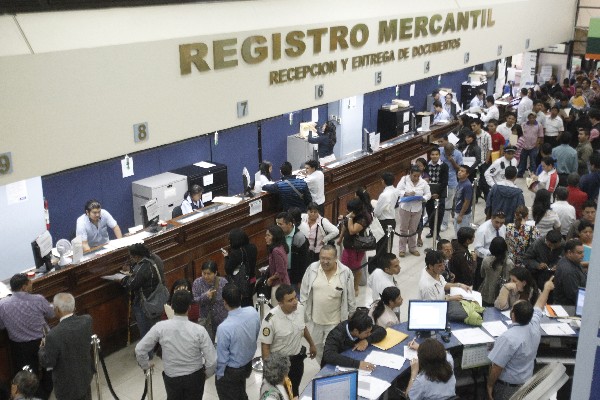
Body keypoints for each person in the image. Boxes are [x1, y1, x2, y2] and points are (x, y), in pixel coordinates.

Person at [135, 290, 216, 400]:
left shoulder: (160, 327)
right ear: (189, 308)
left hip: (172, 377)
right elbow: (212, 361)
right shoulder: (199, 330)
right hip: (194, 377)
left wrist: (145, 365)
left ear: (172, 306)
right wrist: (206, 375)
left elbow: (139, 349)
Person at [487, 277, 554, 399]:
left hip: (507, 389)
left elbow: (497, 367)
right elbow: (539, 305)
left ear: (512, 315)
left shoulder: (508, 338)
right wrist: (546, 289)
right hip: (526, 384)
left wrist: (490, 385)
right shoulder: (534, 325)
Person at [0, 274, 54, 400]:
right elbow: (51, 314)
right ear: (24, 287)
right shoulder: (38, 299)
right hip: (42, 342)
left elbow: (1, 325)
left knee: (28, 374)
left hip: (20, 347)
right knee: (48, 368)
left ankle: (36, 396)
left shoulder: (3, 304)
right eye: (29, 282)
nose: (32, 283)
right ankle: (46, 392)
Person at [300, 245, 356, 364]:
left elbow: (351, 297)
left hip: (335, 323)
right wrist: (303, 313)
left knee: (330, 350)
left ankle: (328, 370)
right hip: (315, 321)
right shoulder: (312, 269)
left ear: (336, 258)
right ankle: (323, 367)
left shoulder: (345, 272)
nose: (325, 261)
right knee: (317, 348)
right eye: (322, 258)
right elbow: (304, 292)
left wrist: (351, 314)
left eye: (328, 259)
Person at [260, 285, 317, 398]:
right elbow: (265, 347)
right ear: (280, 303)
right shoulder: (270, 320)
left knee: (294, 391)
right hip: (278, 365)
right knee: (276, 394)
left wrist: (312, 344)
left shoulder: (300, 308)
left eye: (295, 297)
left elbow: (303, 327)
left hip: (296, 361)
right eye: (290, 300)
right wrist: (270, 370)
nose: (295, 302)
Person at [38, 293, 93, 400]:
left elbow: (48, 362)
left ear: (57, 310)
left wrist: (42, 349)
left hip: (66, 385)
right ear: (74, 307)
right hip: (85, 376)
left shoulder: (54, 335)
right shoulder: (87, 320)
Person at [215, 284, 260, 400]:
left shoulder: (224, 328)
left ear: (224, 302)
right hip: (247, 364)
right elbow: (256, 334)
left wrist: (219, 375)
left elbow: (222, 358)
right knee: (240, 390)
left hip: (231, 371)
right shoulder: (252, 312)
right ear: (240, 297)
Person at [121, 243, 166, 340]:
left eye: (131, 256)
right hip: (156, 299)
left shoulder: (142, 267)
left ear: (136, 256)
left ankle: (147, 353)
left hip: (145, 303)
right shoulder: (153, 260)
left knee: (145, 333)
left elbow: (131, 285)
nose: (131, 259)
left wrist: (123, 279)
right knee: (156, 328)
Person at [322, 310, 387, 370]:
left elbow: (382, 330)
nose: (369, 334)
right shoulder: (336, 334)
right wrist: (357, 364)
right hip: (334, 367)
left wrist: (367, 340)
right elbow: (329, 355)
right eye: (366, 333)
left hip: (355, 357)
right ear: (356, 331)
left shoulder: (363, 326)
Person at [339, 197, 372, 295]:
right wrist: (340, 237)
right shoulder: (352, 215)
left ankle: (355, 287)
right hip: (348, 246)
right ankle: (344, 285)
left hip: (357, 247)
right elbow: (345, 226)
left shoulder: (363, 218)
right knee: (344, 265)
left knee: (356, 267)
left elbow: (352, 230)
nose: (347, 211)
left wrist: (349, 218)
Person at [396, 165, 431, 257]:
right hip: (405, 208)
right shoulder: (404, 180)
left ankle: (412, 248)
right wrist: (406, 193)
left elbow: (428, 194)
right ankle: (402, 249)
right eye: (414, 176)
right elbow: (397, 191)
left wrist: (423, 198)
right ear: (410, 174)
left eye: (418, 176)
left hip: (417, 208)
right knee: (403, 229)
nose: (416, 178)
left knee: (413, 229)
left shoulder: (423, 182)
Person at [192, 260, 228, 342]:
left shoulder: (223, 282)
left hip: (221, 317)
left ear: (215, 273)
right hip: (206, 319)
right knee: (208, 343)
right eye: (204, 273)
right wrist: (205, 296)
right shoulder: (197, 283)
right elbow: (195, 300)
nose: (206, 276)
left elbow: (228, 298)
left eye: (209, 274)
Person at [222, 228, 258, 307]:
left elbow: (228, 269)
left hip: (241, 282)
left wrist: (226, 257)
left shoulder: (236, 254)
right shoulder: (253, 247)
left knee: (242, 303)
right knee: (249, 299)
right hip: (252, 279)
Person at [275, 212, 309, 291]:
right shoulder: (278, 235)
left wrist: (301, 280)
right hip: (281, 274)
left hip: (294, 275)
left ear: (290, 224)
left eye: (280, 224)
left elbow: (304, 261)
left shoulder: (299, 237)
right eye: (277, 224)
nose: (278, 226)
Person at [474, 211, 506, 288]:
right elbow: (478, 249)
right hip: (484, 260)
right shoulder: (483, 230)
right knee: (481, 283)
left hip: (499, 259)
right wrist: (492, 253)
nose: (499, 225)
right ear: (491, 219)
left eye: (501, 223)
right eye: (497, 222)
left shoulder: (503, 227)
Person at [480, 237, 514, 306]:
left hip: (486, 293)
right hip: (501, 296)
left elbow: (482, 275)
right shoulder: (509, 263)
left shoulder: (486, 260)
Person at [554, 239, 586, 305]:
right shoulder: (568, 271)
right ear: (569, 253)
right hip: (568, 308)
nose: (583, 255)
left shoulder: (572, 261)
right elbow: (574, 295)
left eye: (583, 252)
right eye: (579, 253)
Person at [439, 142, 463, 231]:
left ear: (453, 150)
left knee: (447, 204)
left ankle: (444, 223)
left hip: (451, 181)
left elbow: (460, 169)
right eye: (446, 152)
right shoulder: (440, 150)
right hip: (440, 180)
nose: (447, 154)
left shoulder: (458, 154)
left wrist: (452, 160)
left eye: (449, 152)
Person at [425, 147, 448, 239]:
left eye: (436, 154)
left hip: (440, 193)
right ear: (430, 155)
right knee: (430, 212)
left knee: (439, 213)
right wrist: (429, 193)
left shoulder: (444, 165)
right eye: (432, 154)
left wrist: (437, 193)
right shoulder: (427, 165)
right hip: (429, 193)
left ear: (439, 155)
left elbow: (445, 181)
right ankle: (431, 231)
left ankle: (437, 232)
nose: (434, 156)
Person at [263, 224, 291, 301]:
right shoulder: (281, 246)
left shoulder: (276, 251)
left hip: (279, 286)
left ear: (275, 237)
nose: (266, 238)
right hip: (283, 283)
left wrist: (270, 279)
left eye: (268, 235)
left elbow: (280, 272)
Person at [373, 171, 398, 248]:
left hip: (384, 222)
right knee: (388, 245)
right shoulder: (395, 191)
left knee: (381, 246)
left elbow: (377, 212)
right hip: (392, 220)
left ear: (383, 181)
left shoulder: (384, 195)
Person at [517, 111, 544, 178]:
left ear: (535, 117)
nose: (531, 119)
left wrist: (537, 144)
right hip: (523, 146)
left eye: (533, 117)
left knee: (533, 162)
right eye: (530, 117)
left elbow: (540, 136)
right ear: (528, 118)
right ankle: (520, 173)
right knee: (522, 161)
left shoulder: (539, 125)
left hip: (533, 147)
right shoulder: (523, 124)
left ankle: (532, 175)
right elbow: (520, 134)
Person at [454, 165, 473, 232]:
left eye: (462, 171)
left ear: (467, 174)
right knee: (456, 233)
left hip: (463, 215)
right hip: (457, 211)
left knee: (462, 234)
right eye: (459, 170)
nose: (459, 172)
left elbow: (467, 201)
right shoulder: (460, 182)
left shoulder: (467, 185)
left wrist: (461, 215)